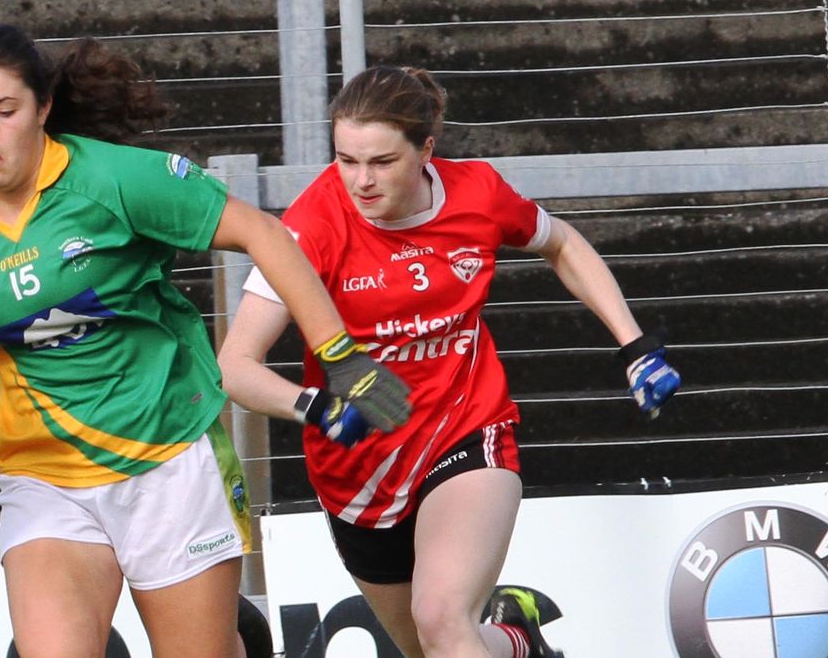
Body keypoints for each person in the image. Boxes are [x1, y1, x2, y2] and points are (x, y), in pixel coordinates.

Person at [0, 23, 413, 658]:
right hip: (44, 478)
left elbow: (266, 234)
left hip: (168, 459)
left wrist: (341, 357)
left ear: (42, 108)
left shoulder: (115, 181)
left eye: (4, 110)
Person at [217, 65, 681, 658]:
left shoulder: (478, 194)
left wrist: (633, 346)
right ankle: (518, 642)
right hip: (356, 472)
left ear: (426, 149)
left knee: (441, 618)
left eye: (382, 162)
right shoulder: (312, 225)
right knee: (431, 645)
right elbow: (235, 365)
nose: (360, 181)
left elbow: (560, 241)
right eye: (346, 160)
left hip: (466, 431)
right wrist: (315, 405)